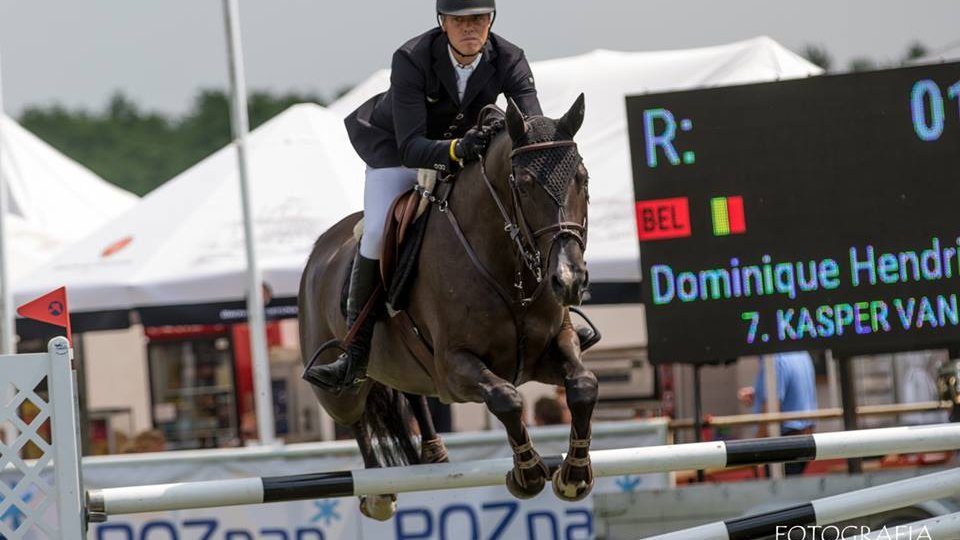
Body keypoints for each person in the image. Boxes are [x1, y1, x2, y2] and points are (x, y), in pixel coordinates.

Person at [304, 0, 542, 393]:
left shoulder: (510, 57)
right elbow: (412, 146)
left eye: (480, 19)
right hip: (397, 153)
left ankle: (558, 314)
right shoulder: (412, 58)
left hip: (466, 147)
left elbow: (529, 126)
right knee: (379, 231)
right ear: (442, 24)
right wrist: (455, 150)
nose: (471, 29)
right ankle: (355, 351)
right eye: (460, 21)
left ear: (491, 22)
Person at [738, 351, 818, 475]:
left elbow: (771, 407)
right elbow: (794, 390)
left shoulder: (774, 359)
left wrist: (754, 449)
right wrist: (757, 393)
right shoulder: (803, 354)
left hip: (784, 444)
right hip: (805, 439)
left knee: (781, 491)